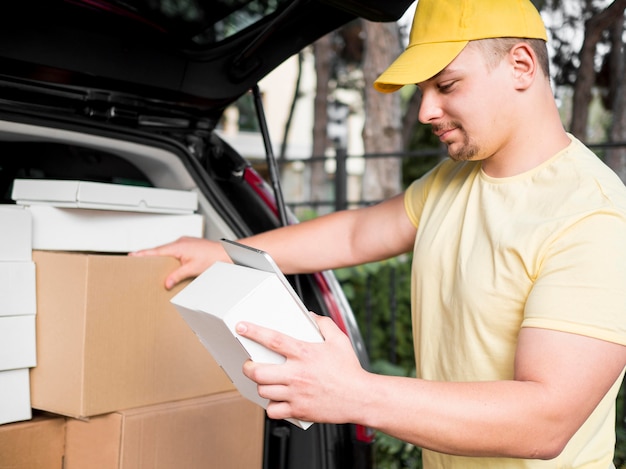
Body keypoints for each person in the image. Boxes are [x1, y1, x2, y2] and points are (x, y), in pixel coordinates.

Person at [132, 0, 626, 466]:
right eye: (423, 91)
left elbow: (546, 421)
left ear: (521, 66)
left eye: (447, 85)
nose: (424, 111)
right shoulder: (454, 181)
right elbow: (356, 233)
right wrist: (221, 252)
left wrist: (355, 393)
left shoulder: (592, 217)